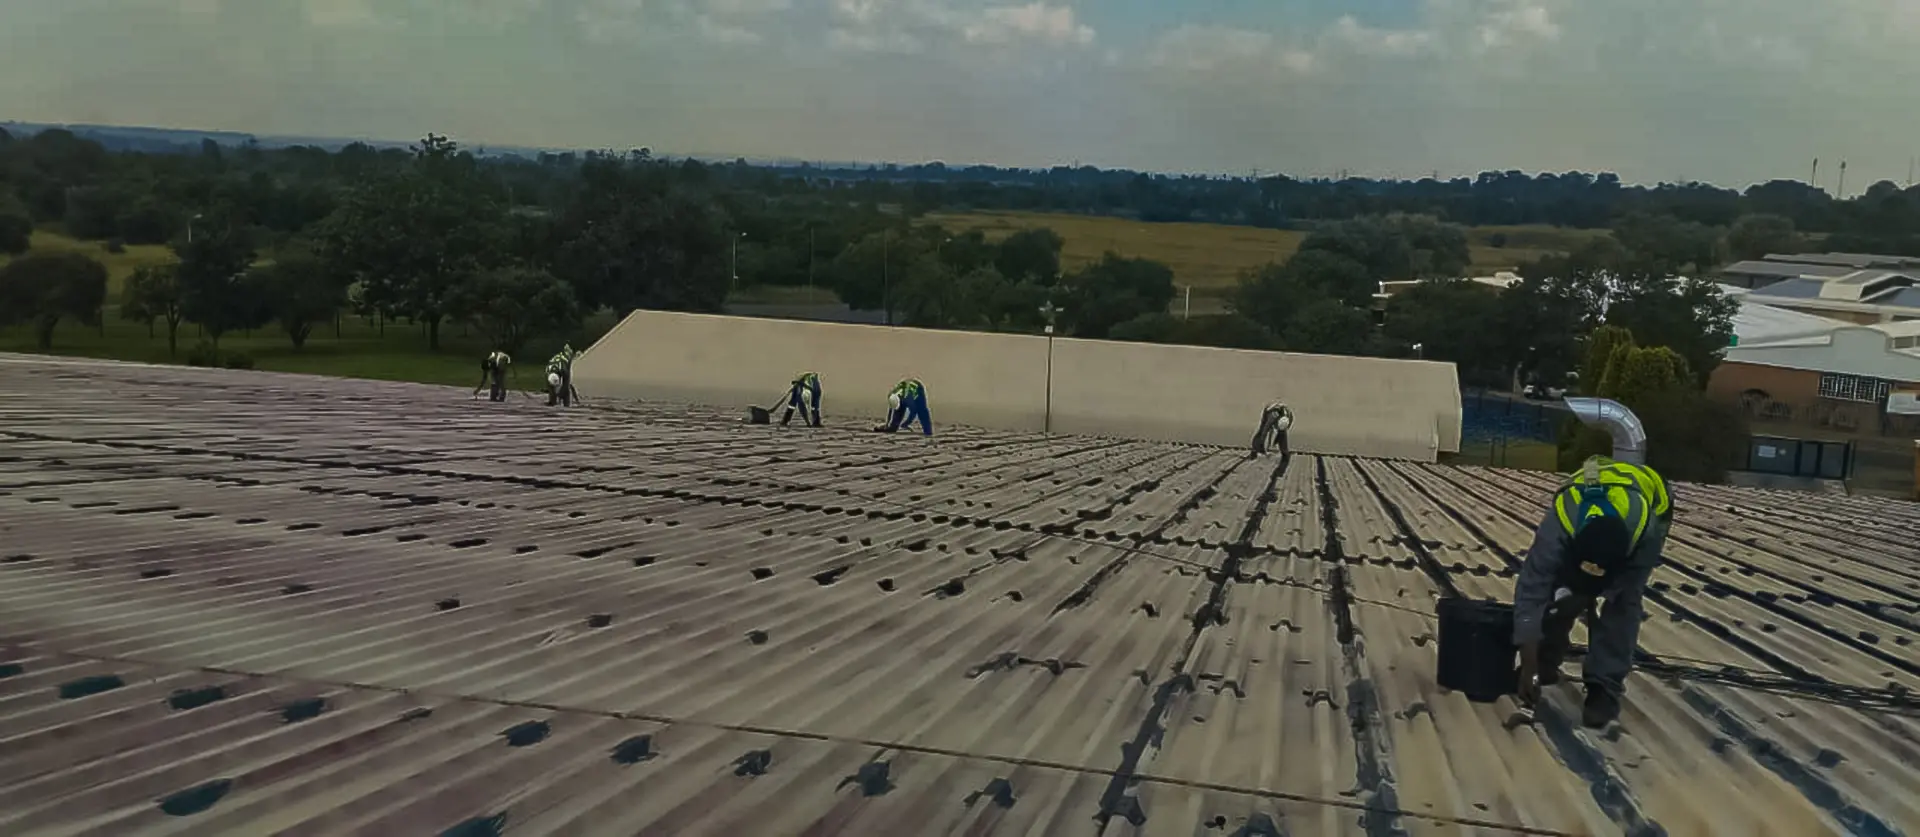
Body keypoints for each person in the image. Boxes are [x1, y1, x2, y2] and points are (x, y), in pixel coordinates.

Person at [1513, 454, 1672, 728]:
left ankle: (1604, 687)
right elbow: (1530, 594)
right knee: (1560, 593)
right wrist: (1530, 665)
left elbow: (1624, 596)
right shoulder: (1559, 527)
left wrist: (1593, 590)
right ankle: (1544, 660)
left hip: (1652, 500)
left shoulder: (1644, 534)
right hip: (1592, 481)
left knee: (1623, 603)